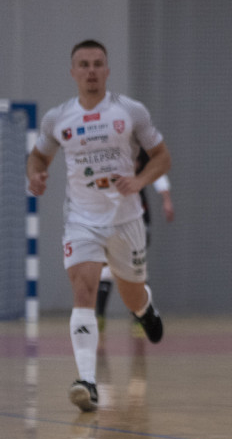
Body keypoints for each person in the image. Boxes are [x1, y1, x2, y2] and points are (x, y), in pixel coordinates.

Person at [27, 39, 171, 413]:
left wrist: (139, 183)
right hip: (81, 220)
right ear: (72, 72)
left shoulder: (130, 112)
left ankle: (145, 311)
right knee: (84, 288)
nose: (91, 71)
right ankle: (87, 382)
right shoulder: (58, 118)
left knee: (131, 293)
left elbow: (161, 157)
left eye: (97, 64)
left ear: (107, 70)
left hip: (125, 220)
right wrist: (36, 176)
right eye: (83, 65)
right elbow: (38, 156)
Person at [96, 147, 176, 332]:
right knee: (107, 269)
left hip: (139, 219)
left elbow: (158, 174)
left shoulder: (141, 148)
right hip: (112, 220)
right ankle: (100, 316)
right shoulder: (107, 152)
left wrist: (166, 200)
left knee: (138, 269)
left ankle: (140, 317)